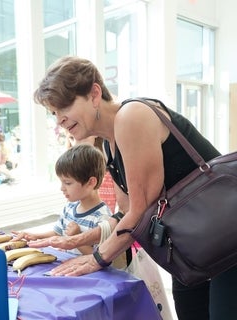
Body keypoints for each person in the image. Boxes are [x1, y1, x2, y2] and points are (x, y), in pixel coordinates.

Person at [31, 55, 237, 320]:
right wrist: (76, 240)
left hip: (227, 238)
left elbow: (141, 212)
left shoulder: (132, 116)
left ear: (94, 93)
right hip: (195, 245)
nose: (59, 118)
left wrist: (97, 258)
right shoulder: (108, 144)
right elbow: (125, 213)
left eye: (64, 106)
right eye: (53, 112)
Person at [13, 144, 112, 255]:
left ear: (90, 182)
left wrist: (75, 237)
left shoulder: (103, 218)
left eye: (68, 183)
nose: (62, 188)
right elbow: (58, 233)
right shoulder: (70, 207)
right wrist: (35, 236)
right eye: (61, 182)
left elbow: (101, 257)